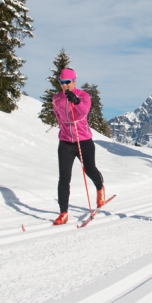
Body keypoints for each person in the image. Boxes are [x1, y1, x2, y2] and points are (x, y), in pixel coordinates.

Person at [51, 68, 107, 225]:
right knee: (64, 177)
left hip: (83, 141)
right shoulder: (56, 99)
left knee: (90, 170)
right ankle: (63, 213)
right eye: (62, 82)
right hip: (65, 142)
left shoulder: (83, 96)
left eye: (67, 82)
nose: (64, 86)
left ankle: (100, 187)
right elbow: (58, 116)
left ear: (74, 81)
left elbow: (83, 112)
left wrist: (75, 101)